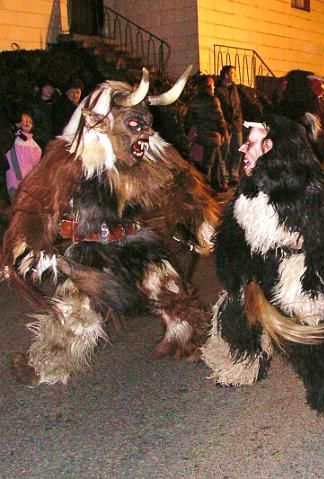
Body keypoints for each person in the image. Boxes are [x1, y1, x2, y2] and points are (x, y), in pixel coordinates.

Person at [3, 67, 220, 386]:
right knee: (76, 315)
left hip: (136, 243)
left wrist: (197, 223)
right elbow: (36, 204)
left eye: (147, 125)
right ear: (98, 122)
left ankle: (185, 340)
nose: (145, 135)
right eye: (135, 125)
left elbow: (182, 184)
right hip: (92, 253)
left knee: (171, 292)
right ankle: (46, 366)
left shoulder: (149, 155)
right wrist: (28, 245)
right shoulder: (67, 159)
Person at [201, 114, 324, 422]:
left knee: (310, 334)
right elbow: (234, 238)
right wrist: (234, 270)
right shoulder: (248, 190)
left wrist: (319, 280)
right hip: (262, 270)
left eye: (250, 144)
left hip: (300, 275)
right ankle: (241, 364)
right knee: (233, 312)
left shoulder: (310, 191)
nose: (242, 150)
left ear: (270, 147)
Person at [186, 75, 229, 192]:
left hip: (200, 136)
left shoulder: (194, 101)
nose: (214, 88)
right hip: (212, 137)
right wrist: (224, 133)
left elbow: (188, 120)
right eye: (213, 85)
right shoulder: (213, 100)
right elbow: (219, 119)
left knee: (215, 159)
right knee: (208, 164)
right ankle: (208, 187)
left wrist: (189, 135)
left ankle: (218, 183)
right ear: (210, 86)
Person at [215, 65, 243, 186]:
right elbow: (218, 109)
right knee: (225, 151)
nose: (235, 75)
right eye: (233, 73)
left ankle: (234, 175)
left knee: (238, 150)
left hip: (237, 124)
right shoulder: (218, 90)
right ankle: (224, 175)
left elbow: (239, 105)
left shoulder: (235, 89)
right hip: (226, 126)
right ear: (226, 75)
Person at [5, 111, 42, 201]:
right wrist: (19, 176)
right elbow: (11, 157)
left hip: (29, 183)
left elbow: (36, 163)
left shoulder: (34, 143)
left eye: (30, 121)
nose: (27, 123)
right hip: (15, 181)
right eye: (25, 121)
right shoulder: (13, 139)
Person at [31, 76, 60, 150]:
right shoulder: (33, 103)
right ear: (41, 88)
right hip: (37, 140)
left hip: (53, 140)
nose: (49, 90)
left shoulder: (57, 104)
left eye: (51, 87)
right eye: (46, 87)